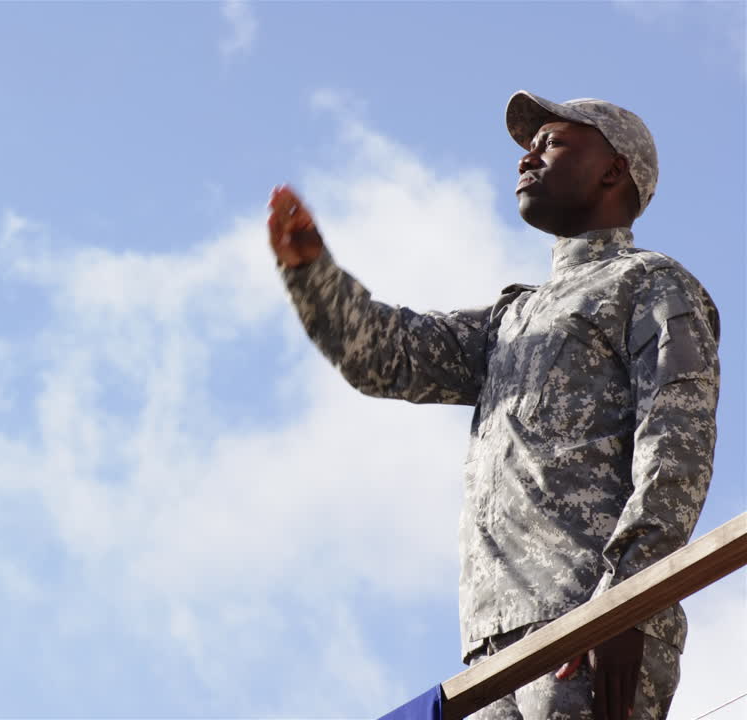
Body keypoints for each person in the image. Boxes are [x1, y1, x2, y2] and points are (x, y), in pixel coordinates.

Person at [266, 91, 720, 720]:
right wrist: (312, 271)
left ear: (615, 170)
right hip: (493, 652)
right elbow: (387, 355)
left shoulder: (646, 282)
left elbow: (677, 443)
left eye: (552, 143)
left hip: (589, 623)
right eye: (528, 148)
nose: (526, 159)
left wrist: (631, 600)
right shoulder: (509, 320)